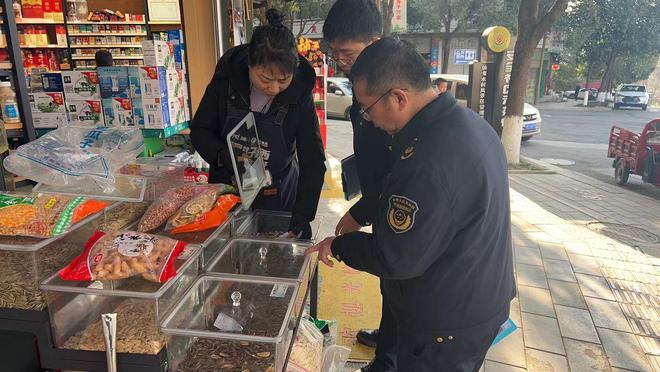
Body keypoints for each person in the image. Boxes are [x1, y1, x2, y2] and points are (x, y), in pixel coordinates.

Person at [306, 37, 515, 372]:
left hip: (446, 323)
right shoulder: (469, 124)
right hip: (479, 296)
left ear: (398, 97)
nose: (368, 120)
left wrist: (340, 246)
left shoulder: (426, 161)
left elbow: (396, 257)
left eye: (367, 108)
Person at [191, 9, 326, 239]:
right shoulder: (227, 80)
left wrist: (303, 214)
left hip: (278, 193)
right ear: (249, 66)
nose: (274, 89)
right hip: (227, 189)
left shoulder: (299, 94)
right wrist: (223, 156)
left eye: (283, 80)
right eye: (265, 79)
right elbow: (200, 131)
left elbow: (313, 160)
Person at [323, 1, 397, 371]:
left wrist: (360, 213)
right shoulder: (360, 84)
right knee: (390, 280)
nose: (340, 61)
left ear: (375, 42)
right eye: (333, 52)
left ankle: (389, 358)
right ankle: (389, 335)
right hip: (377, 196)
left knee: (399, 272)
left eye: (347, 53)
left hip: (396, 200)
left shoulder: (394, 90)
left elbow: (395, 175)